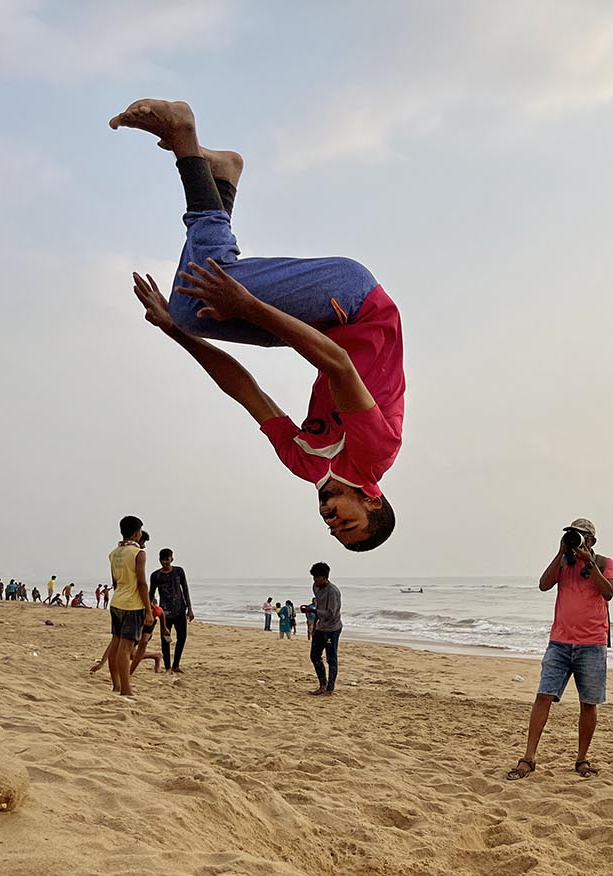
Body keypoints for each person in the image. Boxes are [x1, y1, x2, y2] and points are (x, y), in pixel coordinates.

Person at [113, 98, 404, 552]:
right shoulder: (373, 457)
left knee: (191, 313)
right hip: (354, 301)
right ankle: (184, 138)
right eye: (346, 525)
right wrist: (246, 305)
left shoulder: (304, 463)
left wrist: (174, 332)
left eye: (332, 531)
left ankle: (222, 178)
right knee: (212, 291)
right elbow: (340, 365)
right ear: (372, 502)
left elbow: (245, 389)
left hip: (322, 325)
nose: (330, 521)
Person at [507, 518, 613, 781]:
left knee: (588, 704)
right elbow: (544, 584)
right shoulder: (564, 563)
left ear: (591, 541)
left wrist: (589, 562)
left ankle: (582, 758)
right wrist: (560, 553)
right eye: (571, 535)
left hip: (592, 644)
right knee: (543, 696)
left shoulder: (603, 563)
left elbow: (609, 592)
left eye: (580, 536)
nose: (575, 540)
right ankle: (528, 757)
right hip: (559, 642)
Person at [105, 515, 155, 697]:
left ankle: (116, 684)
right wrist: (148, 611)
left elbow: (115, 582)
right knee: (125, 649)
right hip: (132, 605)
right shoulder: (138, 553)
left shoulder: (114, 553)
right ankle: (126, 689)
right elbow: (142, 583)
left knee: (116, 644)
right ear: (136, 533)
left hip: (117, 601)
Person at [150, 549, 194, 674]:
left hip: (180, 610)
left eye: (167, 560)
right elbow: (151, 593)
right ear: (159, 560)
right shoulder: (156, 575)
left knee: (182, 637)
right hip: (165, 614)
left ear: (171, 559)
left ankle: (176, 665)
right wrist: (152, 608)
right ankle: (168, 666)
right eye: (163, 561)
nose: (165, 563)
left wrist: (189, 608)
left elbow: (185, 589)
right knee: (166, 639)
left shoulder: (179, 572)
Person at [306, 562, 342, 696]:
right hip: (320, 627)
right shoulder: (315, 587)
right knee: (314, 656)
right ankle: (322, 684)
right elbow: (318, 604)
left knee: (331, 659)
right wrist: (314, 624)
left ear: (325, 577)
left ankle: (330, 689)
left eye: (318, 578)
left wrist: (313, 611)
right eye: (314, 578)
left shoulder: (333, 592)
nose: (315, 581)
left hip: (332, 628)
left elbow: (331, 614)